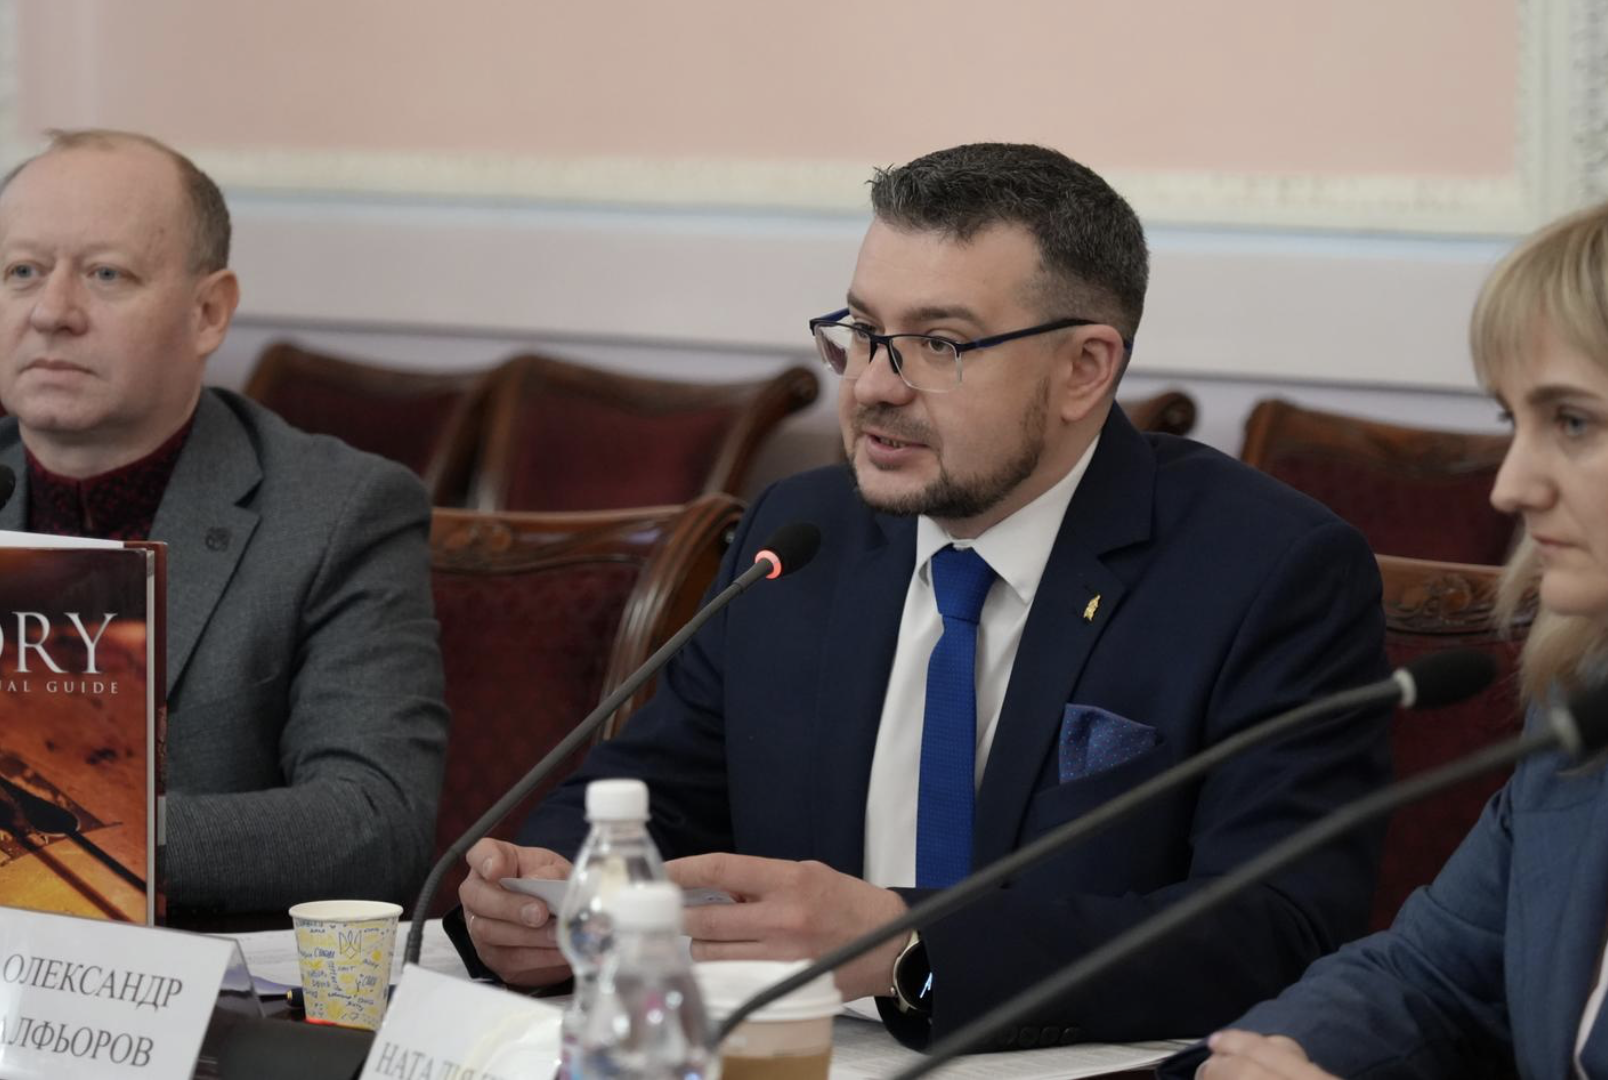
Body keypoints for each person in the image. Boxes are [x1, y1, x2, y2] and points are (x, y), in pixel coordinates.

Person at [453, 142, 1391, 1050]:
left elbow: (1275, 925)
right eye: (863, 332)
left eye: (938, 344)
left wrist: (908, 947)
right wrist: (551, 892)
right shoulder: (803, 535)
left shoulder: (1267, 572)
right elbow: (651, 799)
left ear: (1085, 369)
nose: (871, 386)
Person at [0, 129, 448, 916]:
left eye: (106, 274)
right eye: (23, 272)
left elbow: (375, 823)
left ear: (208, 312)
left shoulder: (339, 513)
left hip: (191, 978)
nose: (53, 312)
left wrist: (85, 837)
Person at [1170, 200, 1608, 1079]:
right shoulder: (1581, 708)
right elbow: (1430, 974)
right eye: (1513, 423)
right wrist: (1260, 1058)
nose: (1511, 487)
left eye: (1573, 421)